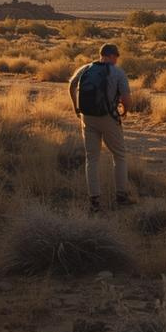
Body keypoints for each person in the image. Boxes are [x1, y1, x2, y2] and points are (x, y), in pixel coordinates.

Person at [69, 43, 133, 212]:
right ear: (111, 56)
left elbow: (72, 85)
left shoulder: (85, 68)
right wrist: (125, 111)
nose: (117, 60)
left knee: (92, 158)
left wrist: (76, 108)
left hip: (87, 117)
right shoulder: (117, 72)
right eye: (116, 56)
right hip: (108, 118)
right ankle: (121, 196)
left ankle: (95, 200)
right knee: (119, 155)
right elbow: (126, 98)